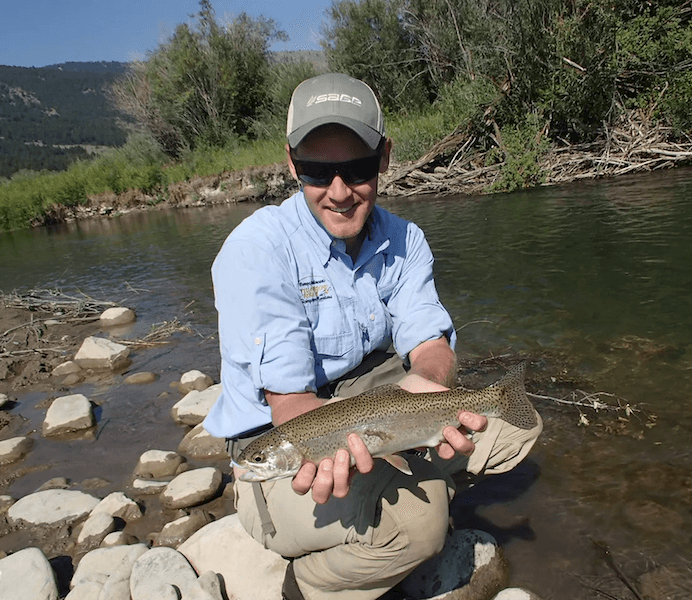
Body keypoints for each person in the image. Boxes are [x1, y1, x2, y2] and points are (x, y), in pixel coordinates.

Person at [203, 73, 543, 600]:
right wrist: (339, 446)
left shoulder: (405, 239)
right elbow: (291, 403)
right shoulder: (258, 251)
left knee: (516, 426)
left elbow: (430, 345)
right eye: (318, 170)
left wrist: (428, 384)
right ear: (291, 163)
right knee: (418, 528)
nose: (339, 192)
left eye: (357, 168)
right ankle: (311, 584)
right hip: (286, 443)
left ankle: (416, 482)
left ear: (384, 157)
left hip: (373, 407)